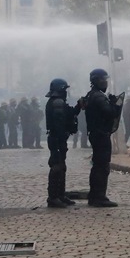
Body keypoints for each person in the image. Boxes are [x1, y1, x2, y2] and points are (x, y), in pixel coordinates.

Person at [85, 69, 123, 208]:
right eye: (102, 79)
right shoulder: (99, 97)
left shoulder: (92, 95)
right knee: (102, 167)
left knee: (97, 166)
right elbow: (109, 113)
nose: (105, 82)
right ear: (96, 80)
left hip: (96, 133)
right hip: (101, 134)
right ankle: (99, 197)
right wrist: (115, 104)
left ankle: (94, 196)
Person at [45, 79, 82, 208]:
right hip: (57, 138)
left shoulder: (57, 102)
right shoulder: (57, 103)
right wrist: (62, 139)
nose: (66, 92)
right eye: (64, 89)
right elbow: (60, 122)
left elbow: (70, 114)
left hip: (58, 138)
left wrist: (78, 106)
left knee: (61, 166)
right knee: (56, 167)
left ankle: (60, 195)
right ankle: (53, 197)